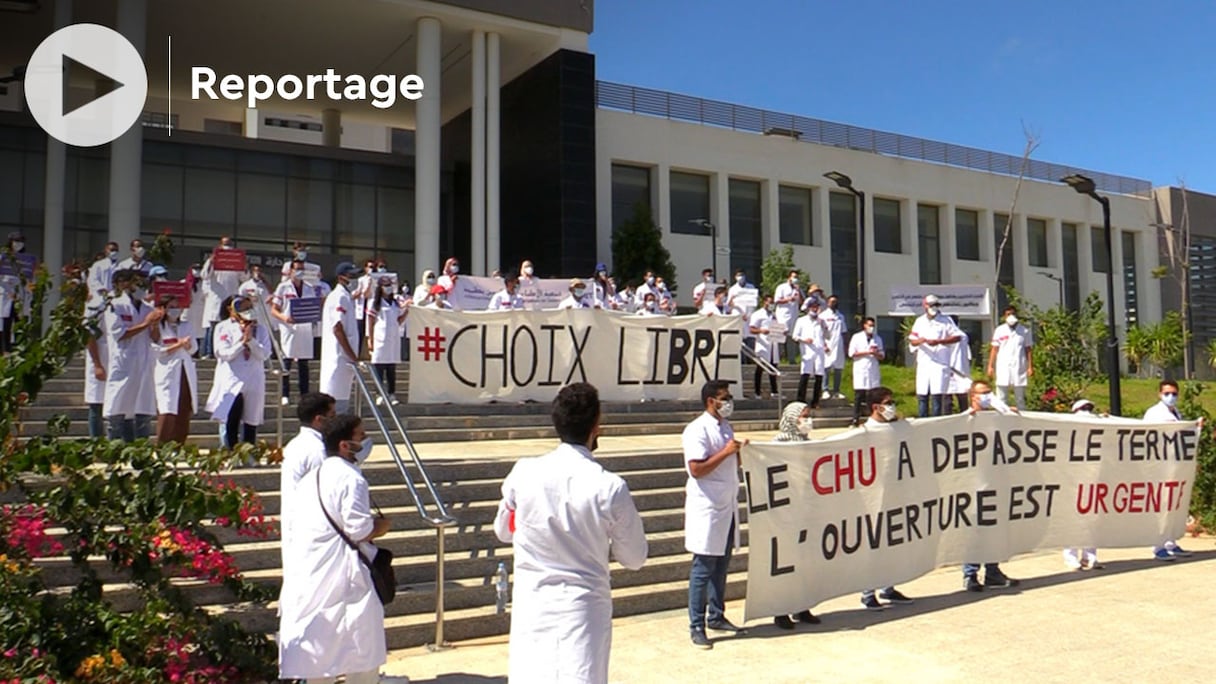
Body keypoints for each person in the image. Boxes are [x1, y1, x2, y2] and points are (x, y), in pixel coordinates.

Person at [494, 383, 647, 683]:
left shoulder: (523, 473)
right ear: (596, 426)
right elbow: (634, 558)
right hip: (584, 610)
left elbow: (503, 530)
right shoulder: (610, 487)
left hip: (534, 605)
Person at [278, 414, 396, 684]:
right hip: (346, 575)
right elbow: (359, 530)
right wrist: (382, 526)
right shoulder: (351, 479)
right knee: (361, 649)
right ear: (345, 445)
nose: (365, 441)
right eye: (360, 436)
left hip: (315, 572)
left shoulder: (312, 478)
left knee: (320, 654)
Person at [684, 380, 748, 649]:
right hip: (708, 506)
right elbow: (696, 469)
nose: (729, 402)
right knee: (703, 567)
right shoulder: (696, 430)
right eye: (725, 398)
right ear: (711, 400)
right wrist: (726, 452)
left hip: (727, 504)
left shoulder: (725, 426)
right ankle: (696, 624)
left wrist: (739, 454)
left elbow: (731, 461)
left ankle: (716, 615)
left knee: (722, 564)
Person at [857, 387, 915, 608]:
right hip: (874, 497)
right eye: (888, 403)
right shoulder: (865, 432)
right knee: (874, 546)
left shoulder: (897, 427)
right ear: (876, 407)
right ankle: (867, 592)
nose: (892, 406)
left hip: (896, 493)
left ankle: (888, 588)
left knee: (892, 544)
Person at [961, 379, 1021, 592]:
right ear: (973, 397)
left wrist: (1011, 415)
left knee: (994, 530)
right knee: (975, 532)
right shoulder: (965, 419)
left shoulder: (999, 417)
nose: (987, 396)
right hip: (973, 486)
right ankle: (970, 574)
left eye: (989, 392)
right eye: (983, 393)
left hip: (997, 483)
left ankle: (993, 572)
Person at [768, 401, 821, 630]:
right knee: (786, 563)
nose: (807, 420)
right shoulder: (778, 443)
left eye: (809, 416)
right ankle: (780, 610)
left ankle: (802, 606)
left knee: (805, 561)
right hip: (784, 511)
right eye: (803, 416)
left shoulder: (809, 444)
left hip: (805, 509)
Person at [278, 392, 336, 568]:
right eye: (332, 416)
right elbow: (327, 490)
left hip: (297, 521)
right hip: (312, 526)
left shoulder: (296, 444)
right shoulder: (316, 451)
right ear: (319, 419)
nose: (335, 420)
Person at [103, 270, 162, 442]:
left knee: (140, 407)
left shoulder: (147, 308)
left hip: (143, 364)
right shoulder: (115, 306)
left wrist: (155, 325)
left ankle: (137, 452)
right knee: (117, 407)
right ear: (127, 284)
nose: (140, 288)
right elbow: (120, 334)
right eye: (137, 283)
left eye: (144, 284)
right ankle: (112, 453)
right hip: (124, 363)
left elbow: (155, 338)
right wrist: (146, 323)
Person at [207, 295, 272, 449]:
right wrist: (242, 343)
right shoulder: (223, 327)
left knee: (251, 418)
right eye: (242, 307)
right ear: (231, 309)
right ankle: (231, 451)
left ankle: (249, 451)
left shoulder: (260, 329)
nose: (246, 310)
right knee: (232, 418)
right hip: (232, 378)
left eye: (248, 307)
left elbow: (264, 354)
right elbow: (224, 353)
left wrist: (251, 341)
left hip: (253, 377)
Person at [1144, 379, 1198, 561]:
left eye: (1174, 393)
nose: (1171, 397)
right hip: (1160, 465)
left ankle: (1170, 543)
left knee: (1174, 505)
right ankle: (1158, 546)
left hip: (1175, 466)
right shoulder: (1153, 413)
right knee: (1161, 505)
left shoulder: (1177, 413)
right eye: (1167, 393)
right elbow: (1147, 436)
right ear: (1160, 394)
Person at [149, 296, 198, 444]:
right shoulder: (158, 327)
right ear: (163, 309)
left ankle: (178, 446)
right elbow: (157, 349)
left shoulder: (186, 325)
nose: (175, 310)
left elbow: (194, 348)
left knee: (184, 408)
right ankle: (162, 445)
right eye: (171, 307)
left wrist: (187, 345)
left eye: (177, 306)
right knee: (167, 409)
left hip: (185, 370)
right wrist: (179, 345)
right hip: (167, 371)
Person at [271, 260, 320, 406]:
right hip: (289, 329)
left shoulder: (310, 288)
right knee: (287, 361)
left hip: (304, 329)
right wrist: (284, 318)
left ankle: (304, 395)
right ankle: (285, 393)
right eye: (297, 269)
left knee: (304, 364)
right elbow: (274, 310)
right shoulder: (283, 287)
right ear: (290, 271)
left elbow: (314, 306)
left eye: (302, 269)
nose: (300, 272)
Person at [1063, 398, 1103, 571]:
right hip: (1072, 479)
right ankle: (1071, 557)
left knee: (1092, 518)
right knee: (1073, 519)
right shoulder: (1066, 429)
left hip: (1093, 477)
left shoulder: (1098, 425)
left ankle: (1090, 556)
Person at [908, 294, 964, 417]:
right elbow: (912, 339)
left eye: (936, 305)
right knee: (922, 395)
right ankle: (922, 421)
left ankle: (935, 422)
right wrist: (921, 340)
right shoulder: (920, 321)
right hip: (924, 362)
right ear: (925, 305)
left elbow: (957, 336)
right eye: (931, 305)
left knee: (937, 395)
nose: (933, 307)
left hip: (939, 363)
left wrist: (939, 341)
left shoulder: (946, 320)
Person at [320, 262, 363, 415]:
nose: (356, 280)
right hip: (338, 358)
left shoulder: (347, 297)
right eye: (352, 276)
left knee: (342, 405)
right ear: (341, 278)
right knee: (335, 408)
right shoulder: (338, 297)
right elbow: (338, 329)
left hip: (344, 361)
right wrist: (352, 356)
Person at [366, 276, 408, 405]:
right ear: (380, 287)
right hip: (380, 338)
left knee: (391, 368)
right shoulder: (375, 302)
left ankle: (391, 394)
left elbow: (398, 321)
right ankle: (379, 394)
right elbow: (370, 322)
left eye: (390, 285)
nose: (388, 288)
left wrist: (406, 312)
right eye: (386, 285)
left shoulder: (395, 302)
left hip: (393, 339)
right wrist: (370, 339)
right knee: (379, 367)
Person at [199, 236, 244, 358]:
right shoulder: (213, 260)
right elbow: (204, 275)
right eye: (224, 245)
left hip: (231, 297)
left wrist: (243, 265)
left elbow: (244, 278)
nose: (227, 248)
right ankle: (209, 352)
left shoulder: (236, 261)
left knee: (231, 323)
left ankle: (229, 348)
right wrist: (212, 261)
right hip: (217, 297)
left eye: (229, 245)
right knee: (213, 326)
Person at [987, 306, 1034, 411]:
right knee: (1001, 397)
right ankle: (1001, 420)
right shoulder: (1000, 330)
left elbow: (1028, 349)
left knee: (1020, 399)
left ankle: (1022, 420)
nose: (1011, 316)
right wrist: (990, 366)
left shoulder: (1024, 330)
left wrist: (1030, 367)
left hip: (1019, 366)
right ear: (1004, 316)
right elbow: (994, 349)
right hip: (1003, 365)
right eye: (1008, 314)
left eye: (1013, 314)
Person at [847, 317, 884, 426]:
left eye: (873, 326)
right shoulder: (856, 337)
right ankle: (855, 419)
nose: (871, 328)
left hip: (873, 368)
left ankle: (872, 418)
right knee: (859, 395)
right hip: (860, 368)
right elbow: (851, 353)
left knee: (872, 395)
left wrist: (875, 354)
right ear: (864, 326)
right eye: (869, 325)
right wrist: (867, 352)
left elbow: (882, 356)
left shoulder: (878, 339)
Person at [83, 292, 108, 438]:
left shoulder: (126, 303)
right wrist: (97, 364)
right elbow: (89, 334)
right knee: (96, 405)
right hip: (100, 358)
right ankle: (96, 443)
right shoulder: (97, 304)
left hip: (118, 361)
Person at [793, 299, 826, 407]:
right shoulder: (801, 321)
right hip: (807, 351)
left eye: (816, 307)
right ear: (808, 308)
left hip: (819, 352)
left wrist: (823, 325)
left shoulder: (821, 321)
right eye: (812, 307)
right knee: (805, 375)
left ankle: (815, 401)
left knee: (819, 376)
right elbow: (795, 336)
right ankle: (800, 399)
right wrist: (804, 339)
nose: (815, 309)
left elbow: (827, 335)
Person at [748, 295, 779, 399]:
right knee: (760, 369)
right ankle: (757, 392)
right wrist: (761, 331)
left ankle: (774, 391)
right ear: (764, 302)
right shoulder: (758, 314)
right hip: (763, 344)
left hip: (773, 343)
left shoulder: (774, 315)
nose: (771, 305)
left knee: (773, 368)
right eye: (769, 302)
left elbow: (778, 326)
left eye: (772, 303)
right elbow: (751, 329)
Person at [819, 295, 847, 399]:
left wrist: (845, 345)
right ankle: (825, 389)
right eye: (832, 302)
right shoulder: (823, 316)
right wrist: (824, 345)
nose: (834, 303)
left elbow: (844, 332)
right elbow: (820, 333)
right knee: (826, 367)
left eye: (835, 301)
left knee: (838, 368)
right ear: (827, 303)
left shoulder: (841, 316)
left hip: (838, 344)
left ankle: (836, 391)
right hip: (828, 344)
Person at [773, 270, 803, 363]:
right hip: (783, 315)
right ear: (789, 278)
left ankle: (791, 359)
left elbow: (802, 302)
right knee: (781, 337)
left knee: (792, 338)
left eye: (796, 277)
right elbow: (777, 300)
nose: (795, 279)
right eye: (794, 277)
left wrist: (798, 291)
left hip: (794, 316)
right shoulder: (781, 287)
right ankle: (779, 359)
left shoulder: (798, 289)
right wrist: (789, 299)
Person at [353, 259, 377, 357]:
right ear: (366, 268)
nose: (371, 269)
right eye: (369, 267)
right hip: (361, 309)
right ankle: (357, 355)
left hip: (371, 309)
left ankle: (371, 355)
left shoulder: (377, 280)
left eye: (373, 267)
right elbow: (362, 293)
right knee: (360, 333)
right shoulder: (361, 280)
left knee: (371, 333)